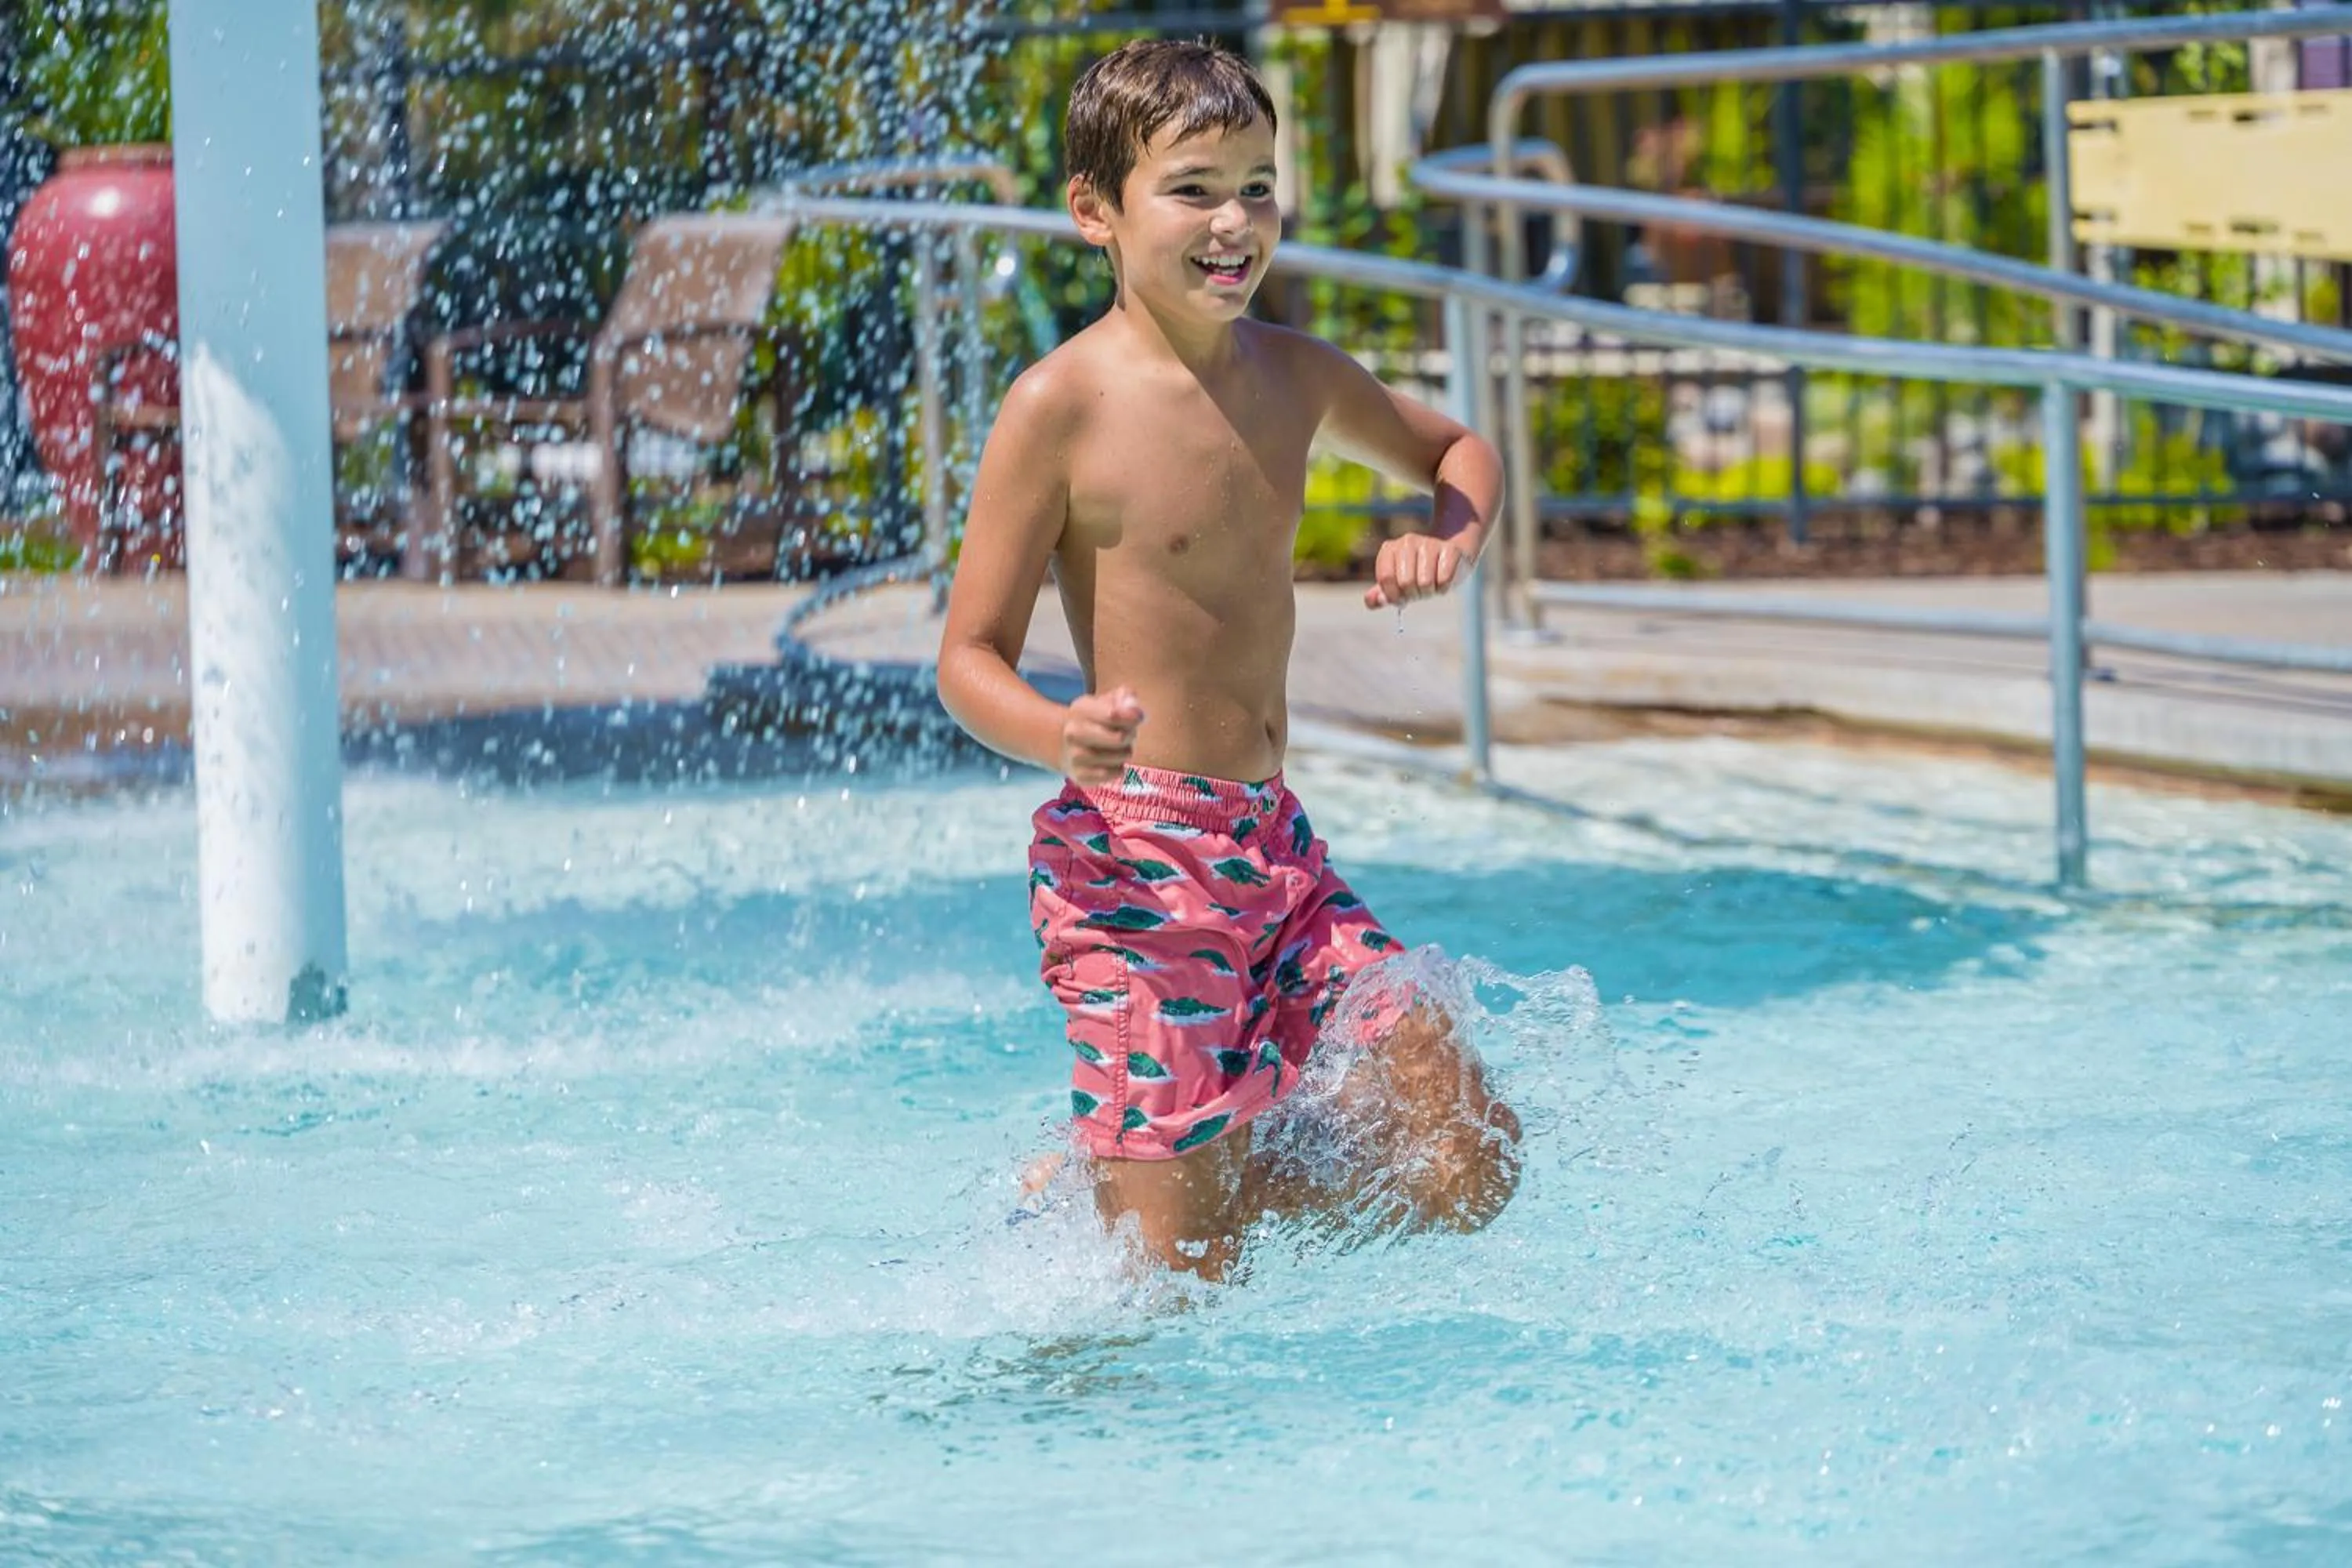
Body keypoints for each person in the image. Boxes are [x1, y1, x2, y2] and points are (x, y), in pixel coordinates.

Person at [936, 38, 1520, 1280]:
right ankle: (1143, 1188)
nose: (1235, 220)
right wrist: (1055, 733)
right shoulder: (1060, 407)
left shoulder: (1295, 379)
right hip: (1138, 861)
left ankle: (1172, 1173)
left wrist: (1450, 537)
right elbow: (966, 657)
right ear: (1096, 211)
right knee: (1177, 1289)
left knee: (1472, 1157)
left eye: (1258, 184)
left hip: (1276, 847)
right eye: (1194, 187)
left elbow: (1460, 447)